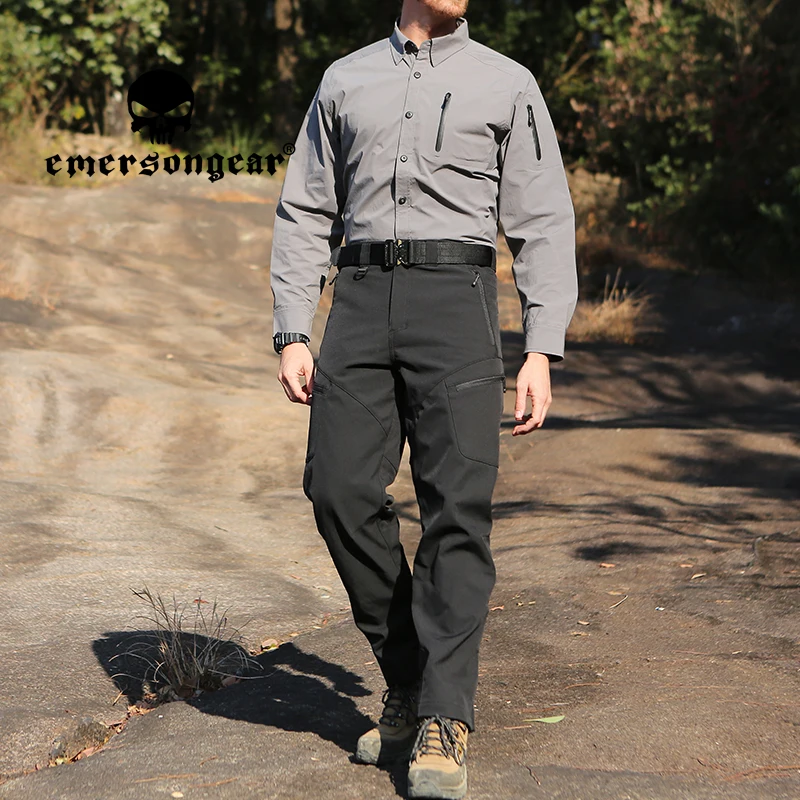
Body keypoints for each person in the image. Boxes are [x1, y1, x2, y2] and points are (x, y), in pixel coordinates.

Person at [269, 0, 578, 796]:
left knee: (456, 508)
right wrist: (293, 327)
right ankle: (408, 676)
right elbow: (306, 206)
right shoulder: (345, 81)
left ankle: (443, 716)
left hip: (457, 300)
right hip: (361, 298)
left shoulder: (508, 83)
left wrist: (540, 346)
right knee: (336, 488)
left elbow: (543, 217)